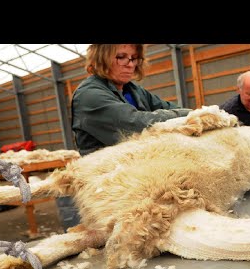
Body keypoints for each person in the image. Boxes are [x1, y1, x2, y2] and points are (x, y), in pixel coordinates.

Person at [56, 44, 192, 230]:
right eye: (121, 57)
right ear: (102, 58)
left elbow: (167, 107)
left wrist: (194, 114)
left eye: (133, 58)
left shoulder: (133, 91)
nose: (130, 64)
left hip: (135, 174)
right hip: (107, 184)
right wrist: (194, 116)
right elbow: (136, 124)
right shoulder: (90, 95)